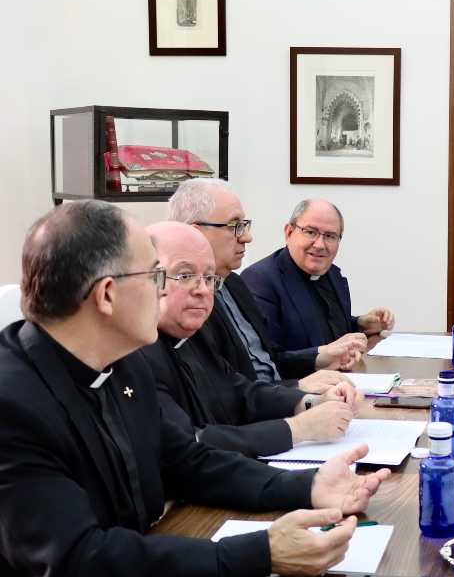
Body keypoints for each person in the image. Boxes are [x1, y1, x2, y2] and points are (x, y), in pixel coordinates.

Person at [0, 201, 390, 577]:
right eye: (156, 277)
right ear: (107, 295)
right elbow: (76, 562)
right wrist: (261, 552)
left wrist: (307, 486)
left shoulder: (122, 364)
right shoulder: (12, 403)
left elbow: (188, 461)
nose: (170, 292)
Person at [142, 222, 364, 457]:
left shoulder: (193, 332)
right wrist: (298, 429)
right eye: (185, 275)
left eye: (209, 278)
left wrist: (311, 402)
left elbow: (240, 393)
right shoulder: (137, 354)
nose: (202, 290)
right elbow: (190, 444)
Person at [167, 179, 366, 385]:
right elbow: (227, 393)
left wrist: (325, 355)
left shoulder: (234, 284)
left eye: (330, 236)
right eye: (235, 226)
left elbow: (268, 360)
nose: (247, 237)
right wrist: (299, 391)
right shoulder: (190, 302)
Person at [241, 199, 395, 352]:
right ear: (289, 232)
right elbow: (267, 358)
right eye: (310, 232)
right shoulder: (260, 280)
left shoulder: (333, 275)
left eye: (330, 236)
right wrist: (323, 356)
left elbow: (324, 329)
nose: (320, 245)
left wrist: (361, 326)